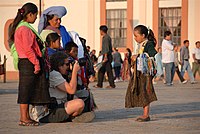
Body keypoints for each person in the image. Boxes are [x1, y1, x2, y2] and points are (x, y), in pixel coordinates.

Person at [9, 2, 50, 126]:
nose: (36, 18)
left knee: (27, 90)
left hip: (27, 61)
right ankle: (23, 118)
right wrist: (36, 63)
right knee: (25, 90)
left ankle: (25, 117)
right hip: (28, 62)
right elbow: (28, 49)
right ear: (29, 14)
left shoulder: (21, 27)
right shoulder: (25, 29)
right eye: (35, 15)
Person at [39, 52, 95, 123]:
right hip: (50, 112)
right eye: (67, 64)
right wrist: (74, 72)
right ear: (60, 66)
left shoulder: (60, 74)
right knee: (79, 103)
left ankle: (71, 117)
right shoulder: (54, 74)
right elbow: (71, 90)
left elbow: (74, 90)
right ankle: (72, 117)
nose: (68, 66)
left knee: (78, 97)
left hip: (59, 106)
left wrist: (72, 73)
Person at [125, 25, 157, 122]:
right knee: (141, 91)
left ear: (143, 35)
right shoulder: (142, 45)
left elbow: (153, 55)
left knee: (145, 92)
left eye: (136, 36)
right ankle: (144, 113)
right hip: (139, 73)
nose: (135, 38)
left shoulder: (148, 44)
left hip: (145, 74)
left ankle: (146, 114)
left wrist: (138, 56)